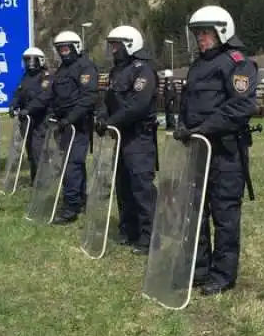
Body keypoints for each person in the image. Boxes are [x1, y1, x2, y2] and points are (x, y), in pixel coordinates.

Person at [174, 5, 258, 296]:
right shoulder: (198, 65)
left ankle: (223, 274)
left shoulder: (237, 63)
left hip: (225, 151)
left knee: (224, 213)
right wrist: (183, 126)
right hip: (198, 149)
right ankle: (198, 268)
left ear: (222, 31)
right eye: (197, 33)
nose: (201, 38)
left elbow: (242, 106)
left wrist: (202, 129)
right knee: (196, 210)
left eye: (206, 32)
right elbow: (188, 103)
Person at [95, 25, 158, 254]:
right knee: (123, 185)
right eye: (111, 45)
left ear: (130, 44)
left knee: (141, 186)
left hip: (138, 137)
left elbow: (138, 105)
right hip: (121, 137)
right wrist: (102, 117)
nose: (113, 50)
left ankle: (148, 236)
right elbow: (106, 99)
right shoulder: (116, 72)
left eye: (117, 45)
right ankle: (128, 230)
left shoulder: (143, 70)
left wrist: (113, 121)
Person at [24, 30, 98, 224]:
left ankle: (70, 208)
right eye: (60, 49)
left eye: (66, 48)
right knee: (70, 163)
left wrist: (70, 119)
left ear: (76, 47)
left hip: (78, 125)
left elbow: (88, 98)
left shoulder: (85, 67)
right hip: (63, 125)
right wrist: (28, 110)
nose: (63, 52)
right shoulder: (61, 71)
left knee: (72, 165)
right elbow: (48, 95)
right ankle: (80, 199)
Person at [9, 47, 51, 184]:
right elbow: (18, 93)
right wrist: (13, 105)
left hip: (40, 119)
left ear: (41, 61)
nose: (30, 64)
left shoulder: (45, 77)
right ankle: (35, 179)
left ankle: (42, 181)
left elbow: (43, 97)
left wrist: (29, 109)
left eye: (33, 60)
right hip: (26, 119)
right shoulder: (26, 77)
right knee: (30, 151)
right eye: (27, 60)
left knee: (38, 150)